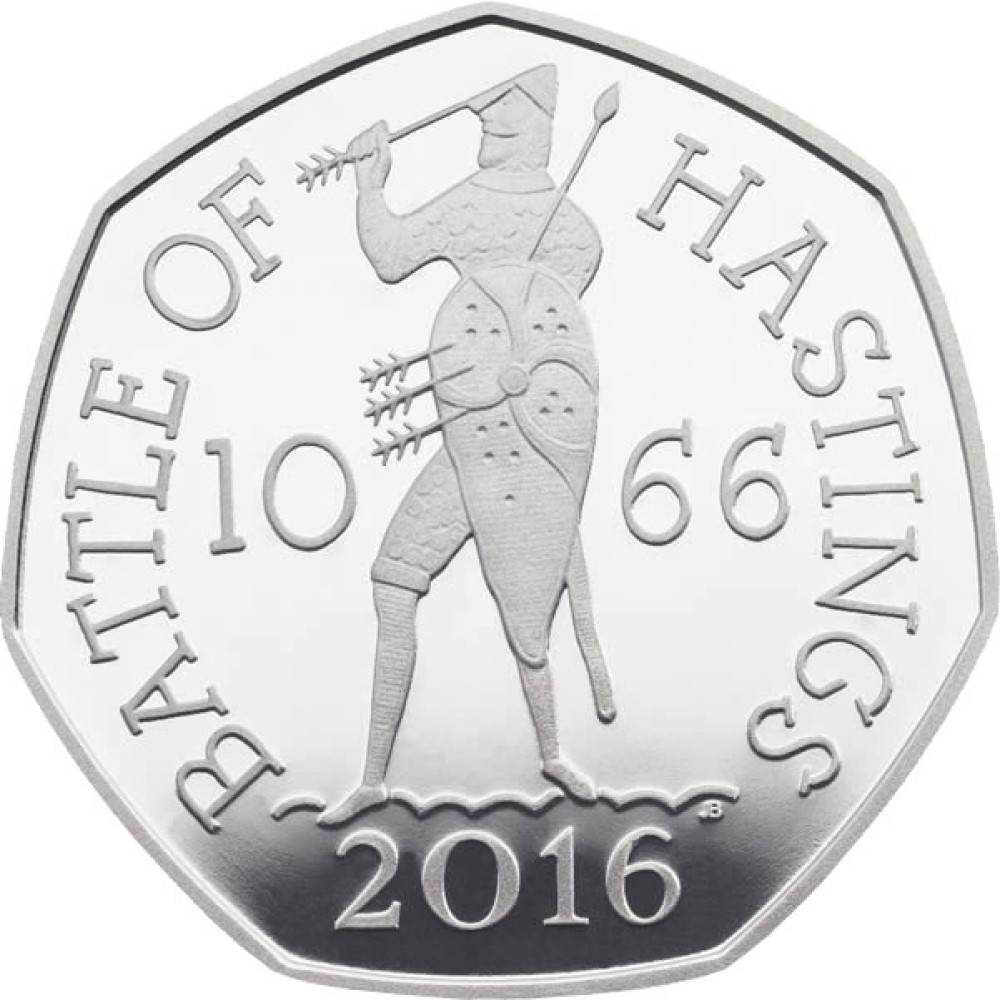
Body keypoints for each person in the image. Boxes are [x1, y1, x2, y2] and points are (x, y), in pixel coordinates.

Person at [321, 66, 610, 826]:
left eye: (494, 115)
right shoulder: (569, 227)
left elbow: (394, 254)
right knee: (434, 588)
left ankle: (548, 754)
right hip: (476, 435)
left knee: (520, 603)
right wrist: (370, 186)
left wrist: (371, 190)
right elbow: (402, 265)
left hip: (517, 443)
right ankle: (380, 777)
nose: (483, 125)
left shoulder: (539, 222)